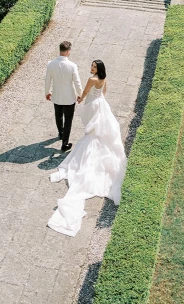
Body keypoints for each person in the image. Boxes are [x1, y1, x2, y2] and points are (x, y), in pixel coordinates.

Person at [47, 59, 127, 237]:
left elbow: (84, 92)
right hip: (101, 105)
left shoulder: (92, 79)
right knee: (100, 131)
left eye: (94, 66)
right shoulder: (104, 78)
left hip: (92, 105)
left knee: (91, 132)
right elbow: (104, 92)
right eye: (92, 66)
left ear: (97, 69)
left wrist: (81, 99)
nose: (91, 68)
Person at [45, 40, 83, 152]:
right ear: (68, 51)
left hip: (56, 95)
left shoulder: (51, 64)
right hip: (69, 97)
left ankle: (61, 133)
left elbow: (48, 80)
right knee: (68, 119)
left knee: (58, 116)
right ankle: (64, 143)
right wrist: (80, 94)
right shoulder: (72, 66)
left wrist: (47, 92)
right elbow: (77, 82)